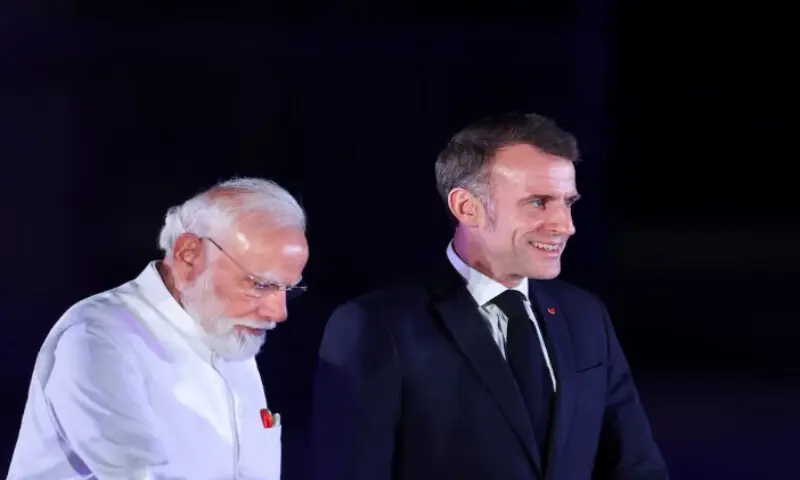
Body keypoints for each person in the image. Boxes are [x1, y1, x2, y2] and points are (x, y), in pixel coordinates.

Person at [311, 113, 668, 480]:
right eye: (538, 202)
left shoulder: (585, 315)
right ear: (467, 207)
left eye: (569, 203)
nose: (566, 225)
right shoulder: (377, 327)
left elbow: (636, 467)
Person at [8, 177, 309, 479]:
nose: (279, 312)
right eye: (260, 284)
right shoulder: (98, 339)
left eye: (288, 290)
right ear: (189, 255)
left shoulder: (228, 330)